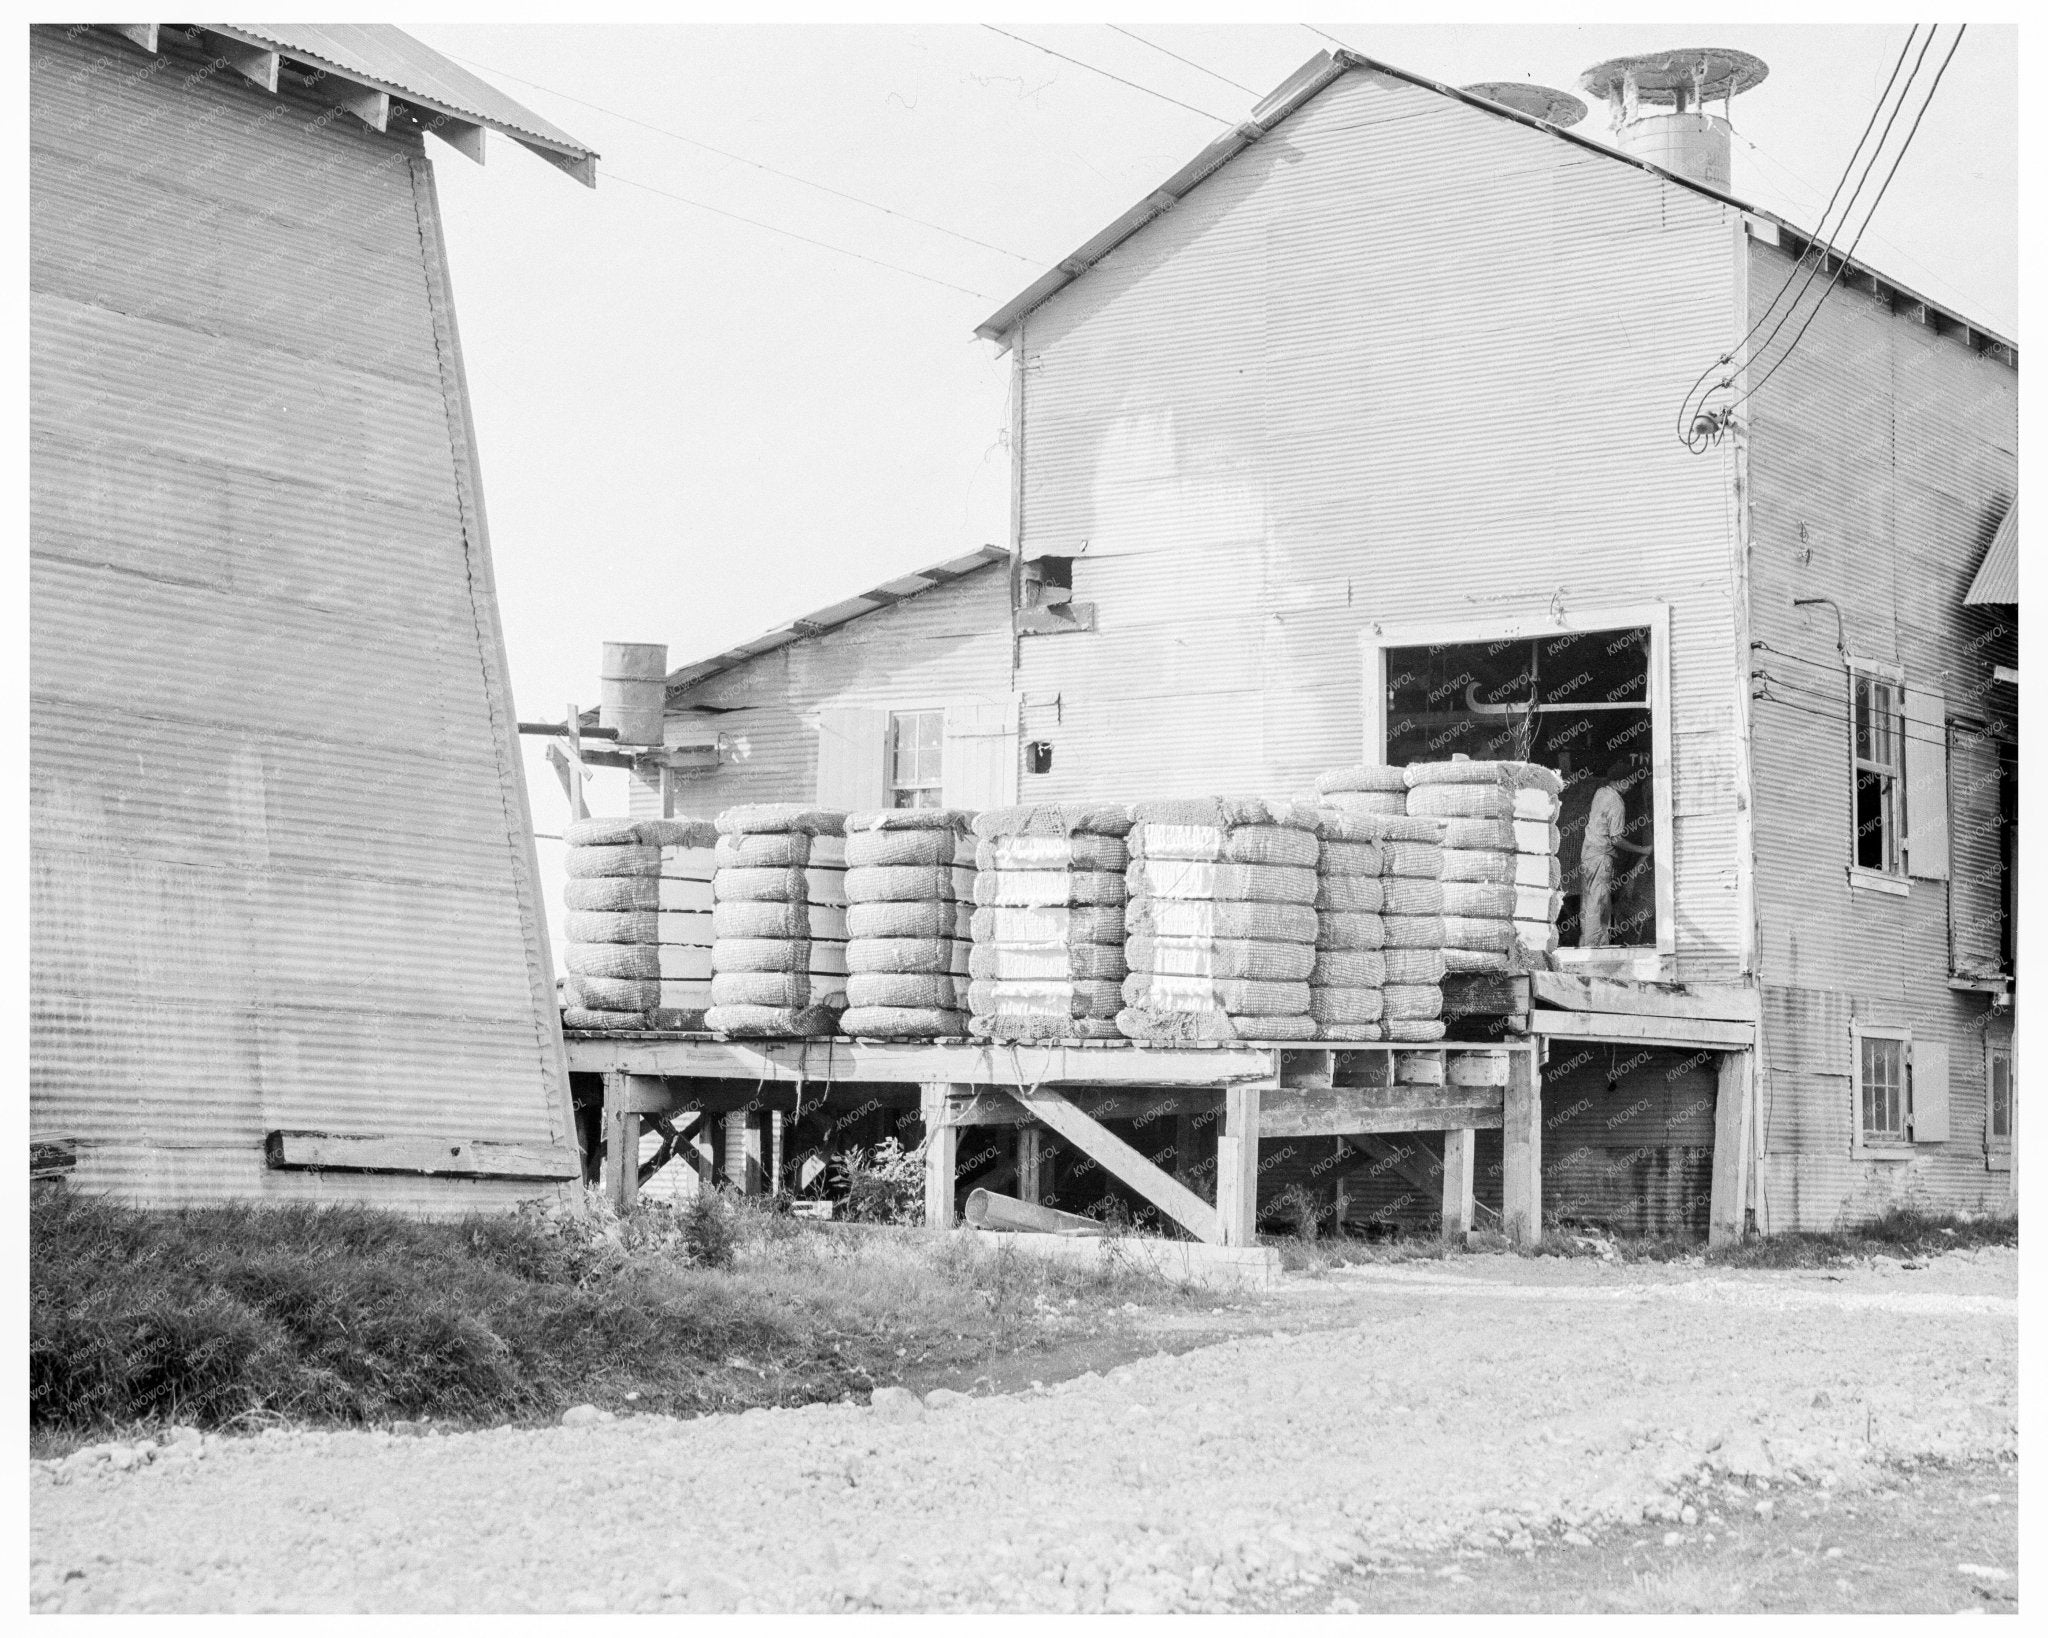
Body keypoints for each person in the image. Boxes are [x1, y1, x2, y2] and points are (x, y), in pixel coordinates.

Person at [1580, 759, 1652, 948]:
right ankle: (1596, 947)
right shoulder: (1617, 802)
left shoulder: (1600, 793)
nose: (1631, 786)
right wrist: (1642, 849)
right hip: (1601, 856)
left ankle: (1587, 942)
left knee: (1589, 901)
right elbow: (1616, 839)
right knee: (1599, 903)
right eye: (1629, 781)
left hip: (1588, 854)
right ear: (1621, 781)